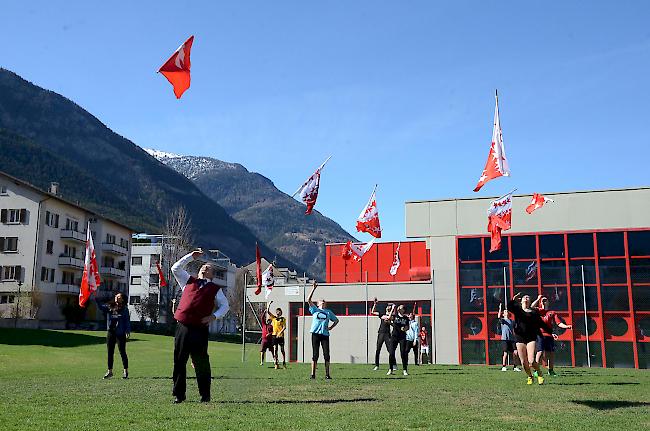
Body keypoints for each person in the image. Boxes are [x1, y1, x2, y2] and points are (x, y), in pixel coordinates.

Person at [171, 249, 230, 404]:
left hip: (199, 329)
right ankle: (179, 394)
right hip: (183, 326)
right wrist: (191, 257)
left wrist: (214, 316)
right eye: (203, 266)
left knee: (201, 362)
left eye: (209, 268)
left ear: (212, 274)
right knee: (179, 360)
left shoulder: (215, 289)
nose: (205, 268)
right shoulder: (188, 281)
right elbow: (175, 268)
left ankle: (205, 395)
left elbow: (225, 306)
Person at [508, 292, 552, 385]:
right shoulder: (518, 310)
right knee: (523, 362)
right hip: (520, 338)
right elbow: (509, 307)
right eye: (525, 297)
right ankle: (530, 376)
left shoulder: (534, 312)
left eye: (528, 296)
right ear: (521, 301)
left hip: (531, 337)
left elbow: (541, 323)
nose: (526, 298)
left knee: (531, 361)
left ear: (530, 300)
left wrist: (551, 332)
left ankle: (539, 373)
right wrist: (513, 299)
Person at [532, 296, 572, 376]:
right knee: (539, 352)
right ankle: (536, 371)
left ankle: (551, 370)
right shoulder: (538, 311)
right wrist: (537, 299)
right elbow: (531, 307)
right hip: (540, 335)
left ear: (548, 302)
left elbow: (559, 323)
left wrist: (567, 326)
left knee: (551, 353)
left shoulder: (552, 313)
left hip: (549, 335)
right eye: (542, 300)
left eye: (545, 300)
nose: (544, 302)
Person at [307, 281, 339, 379]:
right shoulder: (315, 310)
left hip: (325, 334)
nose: (323, 301)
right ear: (318, 303)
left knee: (326, 354)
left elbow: (336, 320)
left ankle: (327, 374)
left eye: (324, 300)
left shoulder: (328, 312)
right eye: (321, 300)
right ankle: (313, 374)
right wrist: (313, 288)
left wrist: (331, 327)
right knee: (315, 354)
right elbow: (308, 299)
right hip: (315, 334)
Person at [96, 293, 131, 379]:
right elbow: (101, 307)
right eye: (116, 296)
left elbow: (127, 320)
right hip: (111, 332)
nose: (116, 297)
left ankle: (125, 371)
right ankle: (110, 371)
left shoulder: (124, 309)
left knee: (122, 352)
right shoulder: (110, 306)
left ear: (122, 299)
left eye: (118, 297)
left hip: (120, 333)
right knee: (110, 352)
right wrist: (96, 298)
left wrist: (127, 331)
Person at [370, 299, 394, 371]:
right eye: (388, 306)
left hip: (387, 334)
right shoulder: (382, 313)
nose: (388, 307)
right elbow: (372, 312)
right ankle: (377, 365)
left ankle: (393, 364)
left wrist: (392, 310)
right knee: (378, 349)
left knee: (390, 349)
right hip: (381, 333)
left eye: (390, 306)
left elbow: (390, 320)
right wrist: (375, 304)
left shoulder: (392, 316)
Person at [497, 303, 521, 372]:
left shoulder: (511, 321)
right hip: (505, 339)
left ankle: (515, 367)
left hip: (512, 339)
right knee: (505, 353)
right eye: (504, 312)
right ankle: (504, 366)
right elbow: (498, 317)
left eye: (507, 311)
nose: (506, 312)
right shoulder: (503, 321)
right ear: (503, 314)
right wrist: (500, 308)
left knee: (515, 352)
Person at [388, 304, 410, 376]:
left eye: (401, 308)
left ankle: (404, 369)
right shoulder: (394, 316)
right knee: (391, 353)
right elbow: (388, 318)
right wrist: (392, 309)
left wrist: (404, 329)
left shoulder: (406, 318)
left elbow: (407, 327)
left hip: (402, 337)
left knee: (403, 353)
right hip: (394, 336)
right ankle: (390, 369)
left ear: (403, 310)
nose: (399, 308)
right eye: (399, 307)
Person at [267, 302, 286, 369]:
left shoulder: (283, 319)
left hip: (280, 336)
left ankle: (284, 362)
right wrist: (269, 304)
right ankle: (276, 363)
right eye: (278, 311)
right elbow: (268, 311)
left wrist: (280, 333)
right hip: (274, 336)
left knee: (282, 350)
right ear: (276, 312)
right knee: (275, 349)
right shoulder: (274, 318)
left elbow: (284, 327)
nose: (279, 312)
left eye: (280, 311)